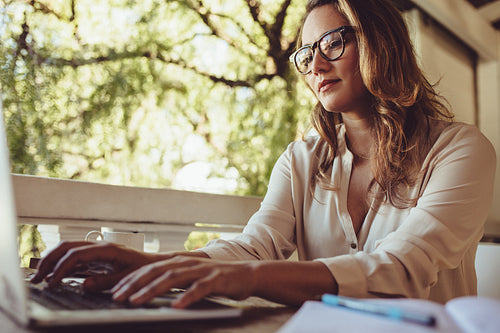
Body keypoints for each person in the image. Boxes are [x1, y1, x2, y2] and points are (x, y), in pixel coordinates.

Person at [32, 0, 496, 309]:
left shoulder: (460, 150)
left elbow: (403, 269)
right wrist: (150, 262)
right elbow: (254, 247)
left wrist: (251, 278)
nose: (315, 65)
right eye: (307, 53)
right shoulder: (300, 161)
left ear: (381, 42)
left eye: (334, 42)